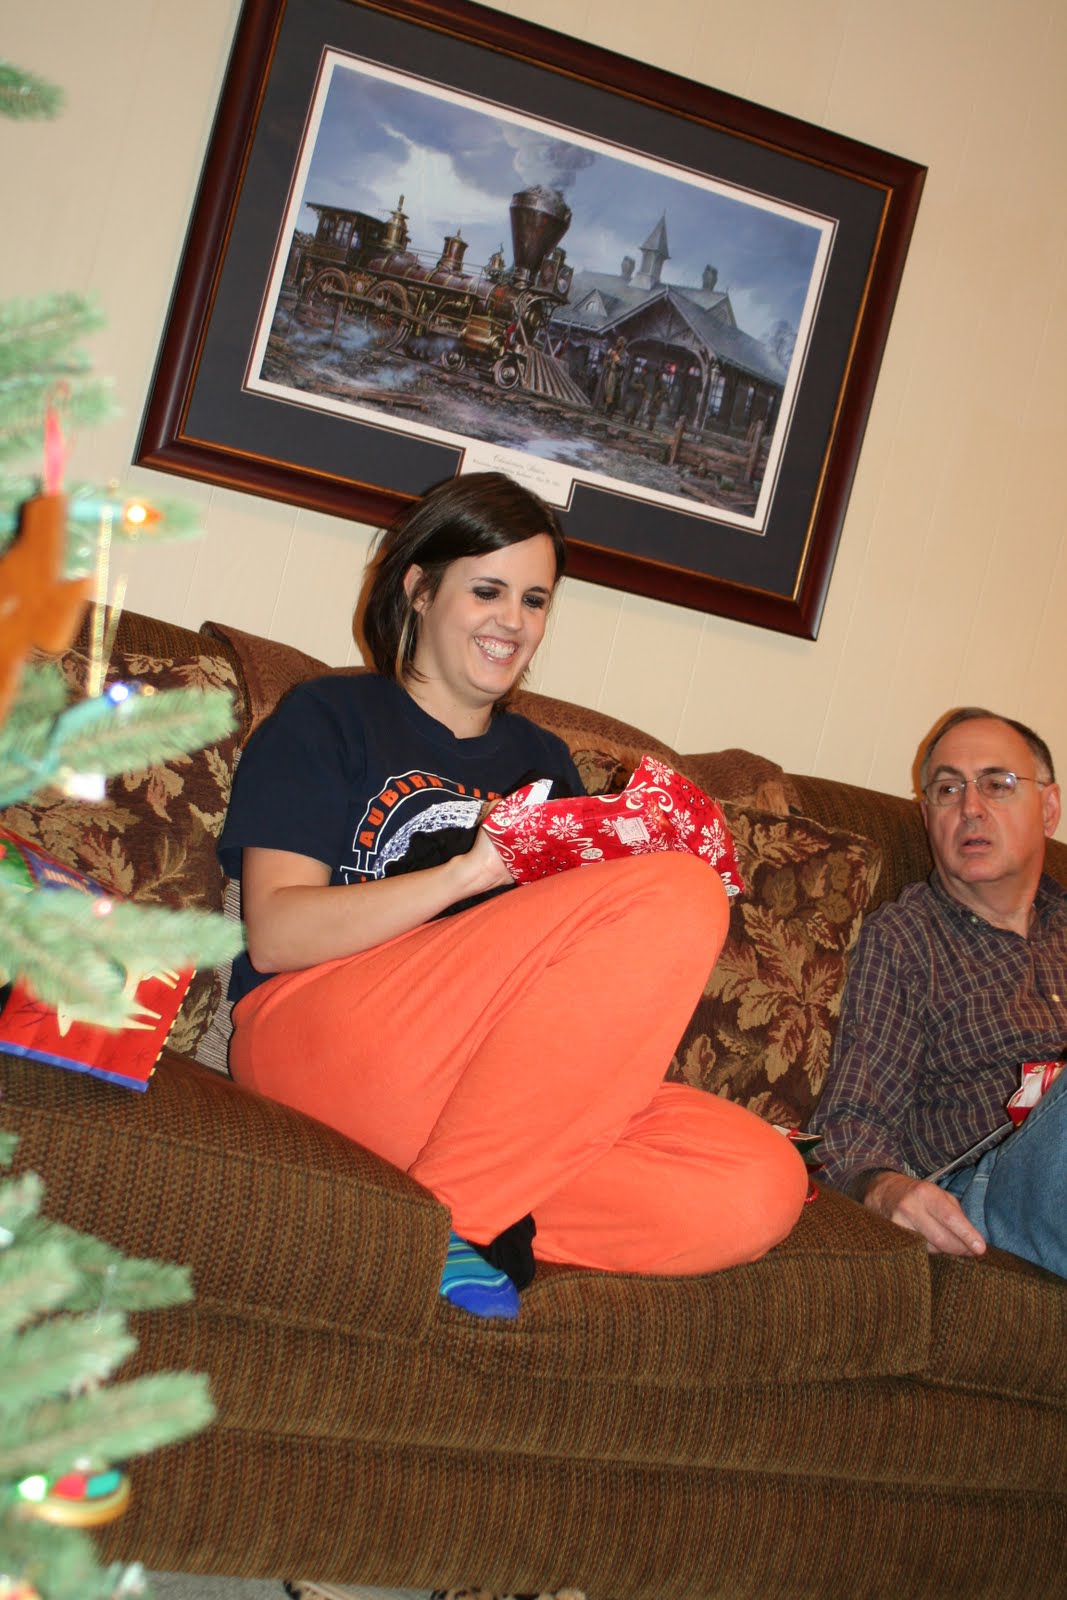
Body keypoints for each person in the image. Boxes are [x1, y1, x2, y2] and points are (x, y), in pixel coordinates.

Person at [218, 472, 807, 1319]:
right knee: (675, 893)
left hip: (470, 1095)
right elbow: (276, 934)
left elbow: (569, 996)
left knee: (758, 1184)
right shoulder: (328, 715)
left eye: (534, 600)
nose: (513, 622)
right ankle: (459, 1221)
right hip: (322, 1031)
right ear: (419, 589)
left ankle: (440, 1206)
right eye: (487, 590)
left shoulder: (543, 763)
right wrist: (470, 871)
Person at [809, 707, 1067, 1277]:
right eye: (948, 790)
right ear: (928, 817)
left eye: (997, 784)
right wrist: (884, 1188)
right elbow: (849, 1121)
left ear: (1048, 809)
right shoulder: (905, 941)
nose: (970, 807)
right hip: (991, 1189)